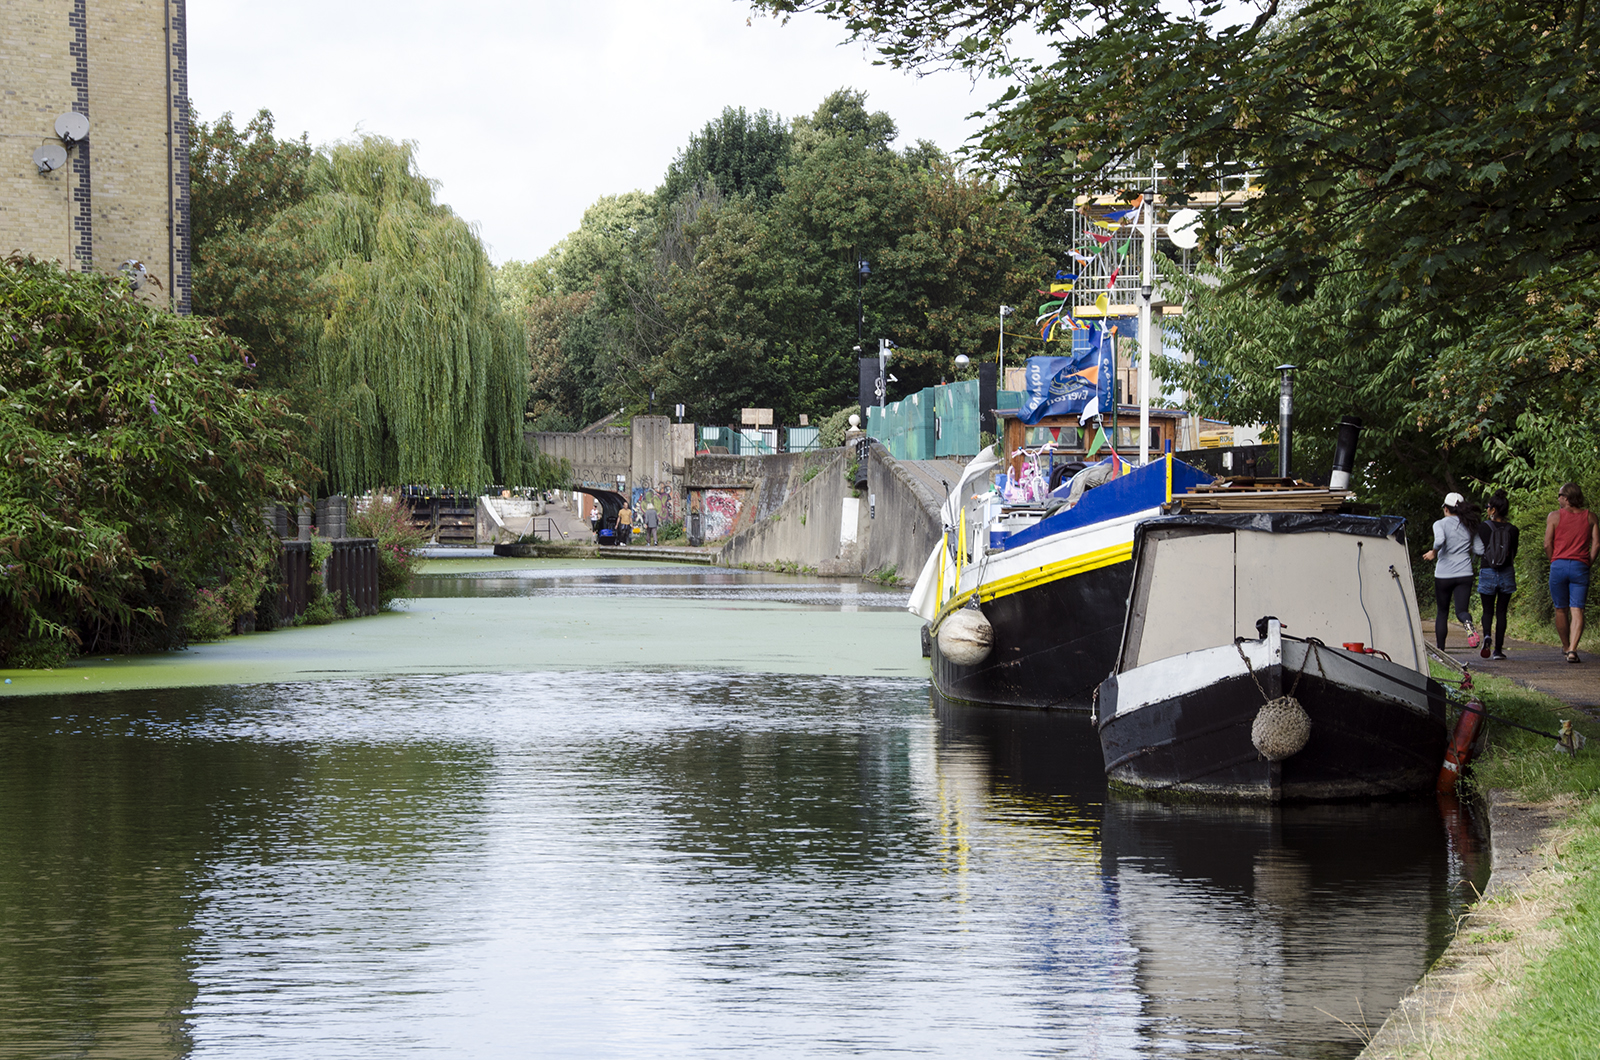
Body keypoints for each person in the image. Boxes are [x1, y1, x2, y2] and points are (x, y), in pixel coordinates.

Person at [1544, 481, 1600, 663]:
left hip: (1558, 565)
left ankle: (1566, 645)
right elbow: (1597, 544)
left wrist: (1554, 559)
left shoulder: (1554, 516)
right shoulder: (1590, 517)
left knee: (1560, 609)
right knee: (1577, 609)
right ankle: (1573, 650)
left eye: (1559, 495)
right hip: (1580, 566)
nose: (1558, 498)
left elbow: (1547, 543)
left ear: (1566, 498)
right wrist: (1588, 561)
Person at [1422, 491, 1481, 651]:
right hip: (1465, 573)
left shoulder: (1440, 523)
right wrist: (1468, 556)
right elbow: (1480, 549)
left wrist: (1433, 552)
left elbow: (1440, 540)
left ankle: (1441, 651)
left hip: (1444, 575)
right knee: (1462, 611)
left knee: (1442, 612)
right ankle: (1467, 623)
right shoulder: (1470, 524)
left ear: (1446, 509)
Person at [1476, 490, 1519, 660]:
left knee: (1487, 610)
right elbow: (1513, 552)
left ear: (1493, 510)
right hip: (1506, 572)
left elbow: (1480, 549)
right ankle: (1498, 650)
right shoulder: (1513, 530)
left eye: (1488, 507)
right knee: (1502, 611)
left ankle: (1487, 636)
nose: (1487, 510)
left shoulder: (1484, 527)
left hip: (1487, 570)